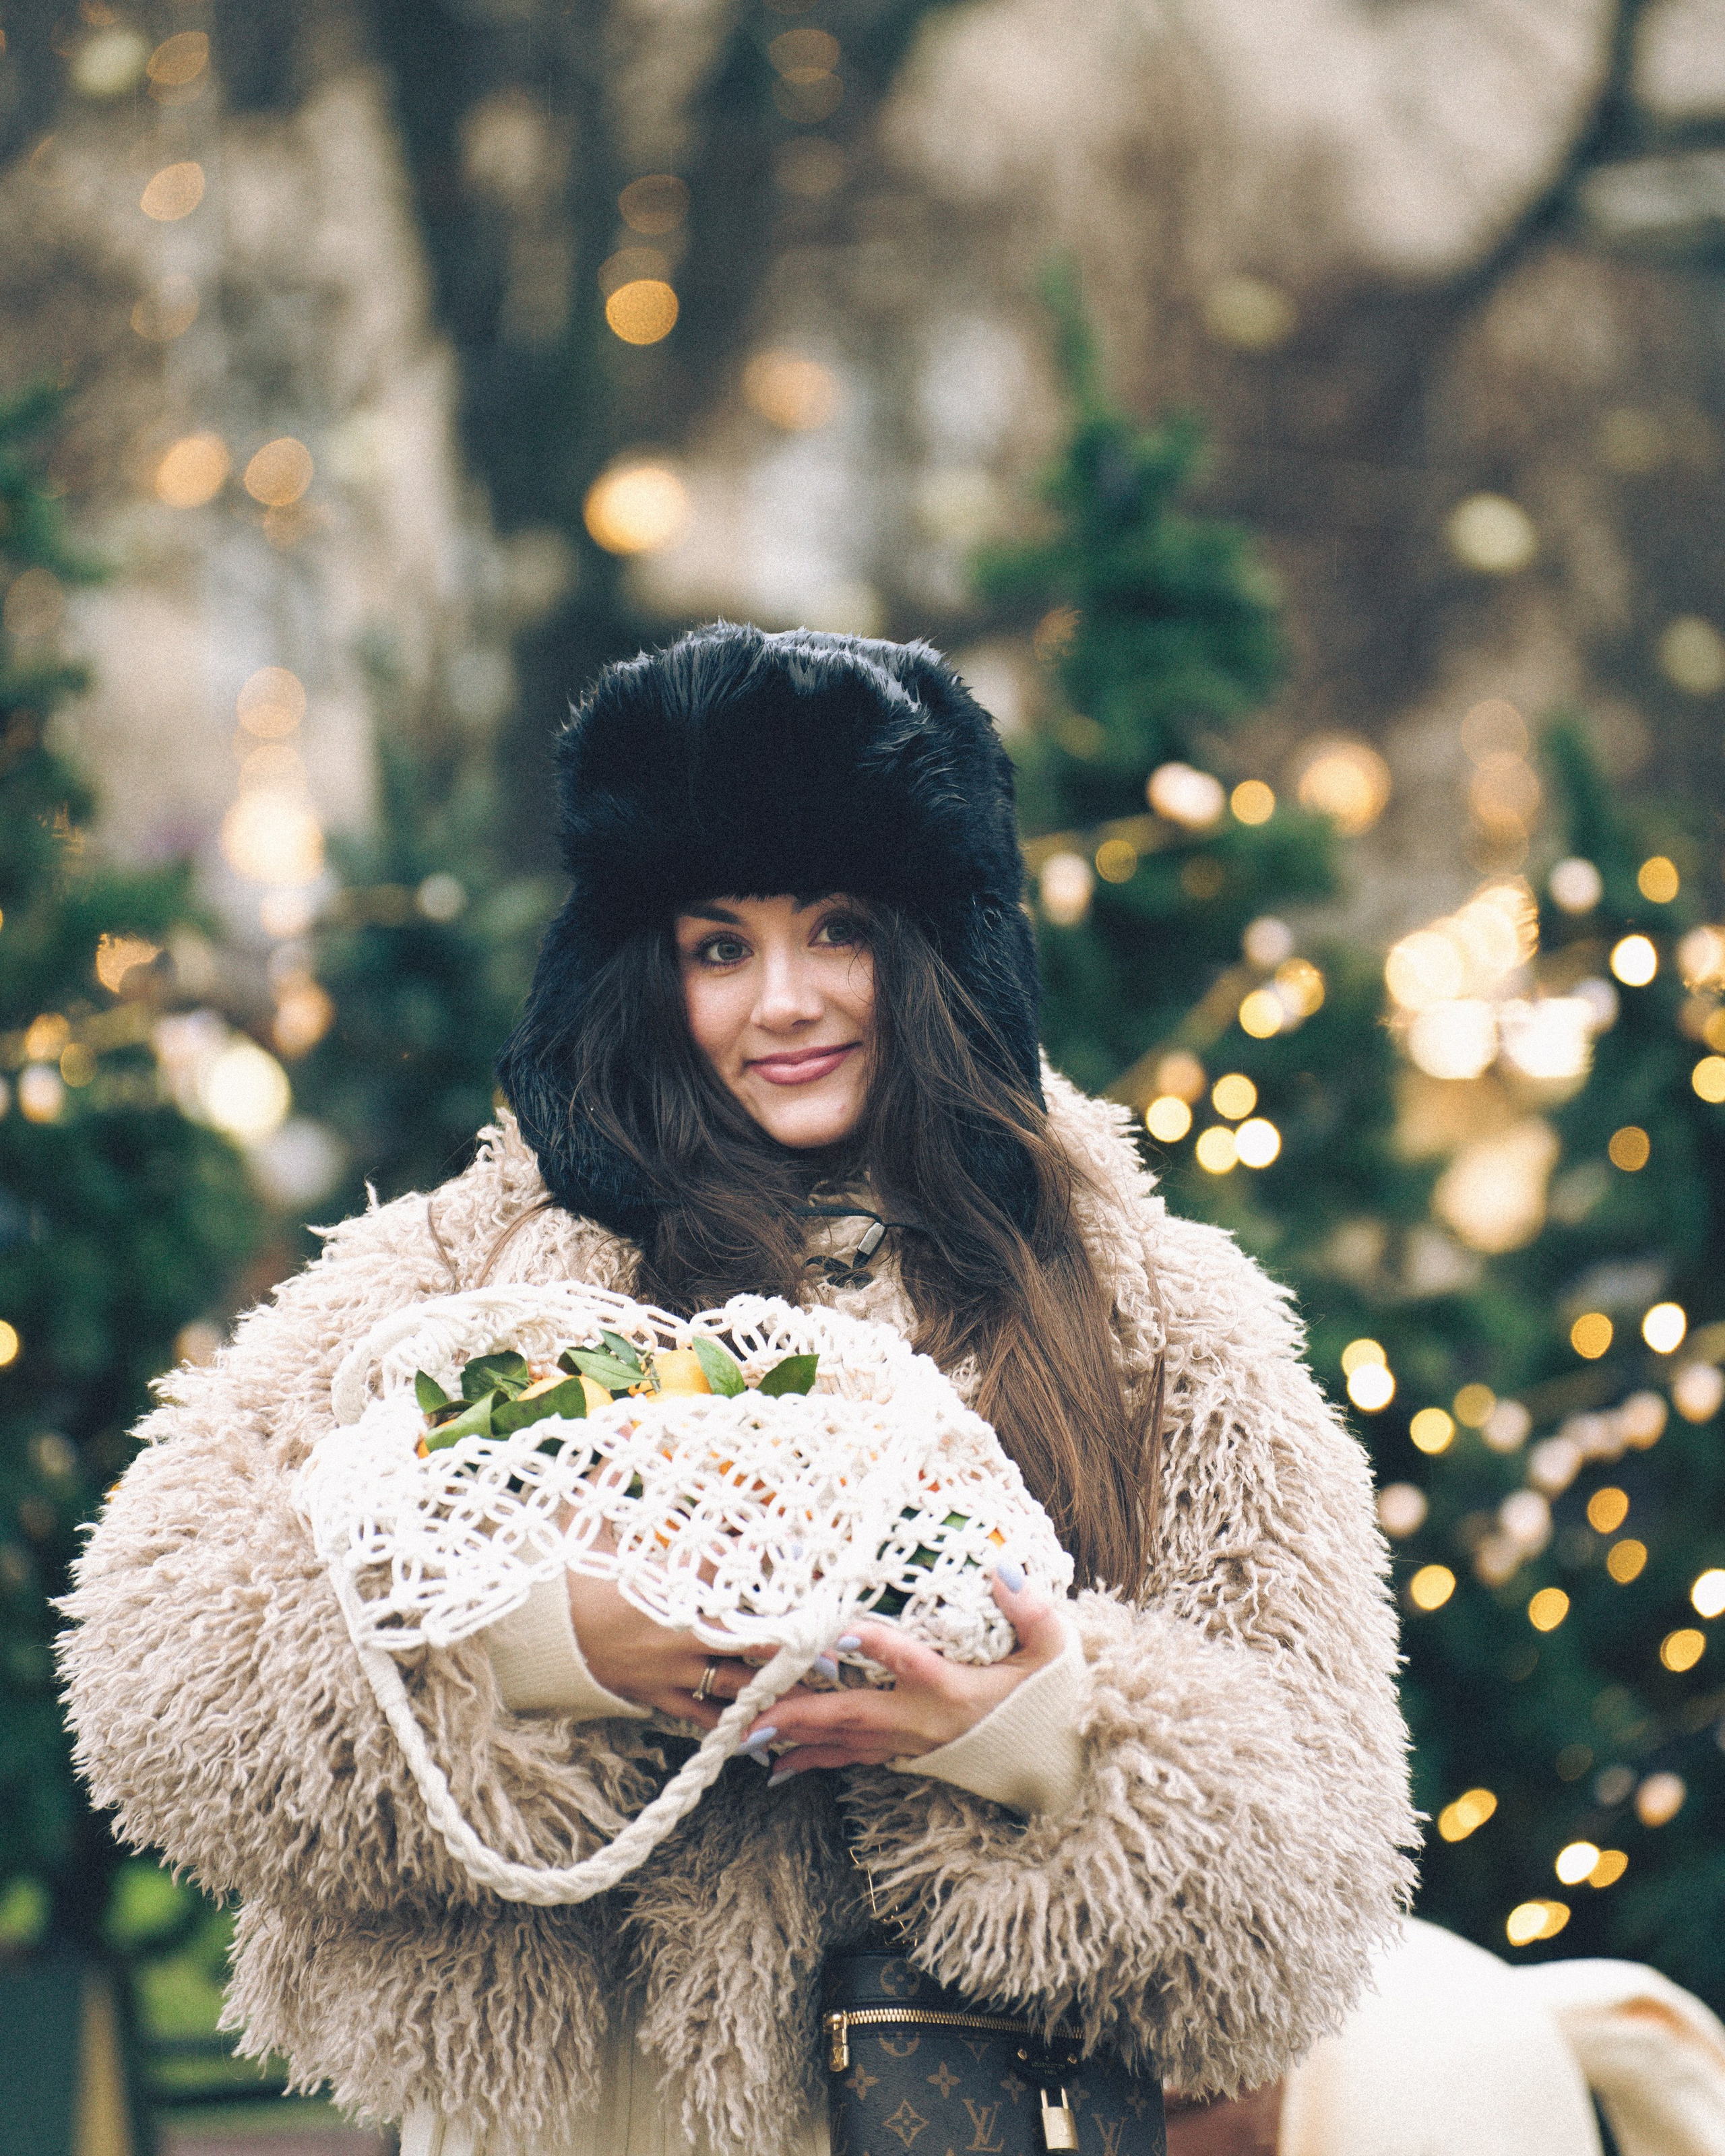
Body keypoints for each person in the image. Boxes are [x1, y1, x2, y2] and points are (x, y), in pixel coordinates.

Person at [62, 625, 1416, 2156]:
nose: (783, 1001)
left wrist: (1027, 1733)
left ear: (938, 946)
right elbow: (151, 1665)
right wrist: (542, 1638)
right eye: (719, 945)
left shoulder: (1147, 1308)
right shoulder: (468, 1265)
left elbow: (1315, 1880)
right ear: (647, 968)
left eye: (838, 930)